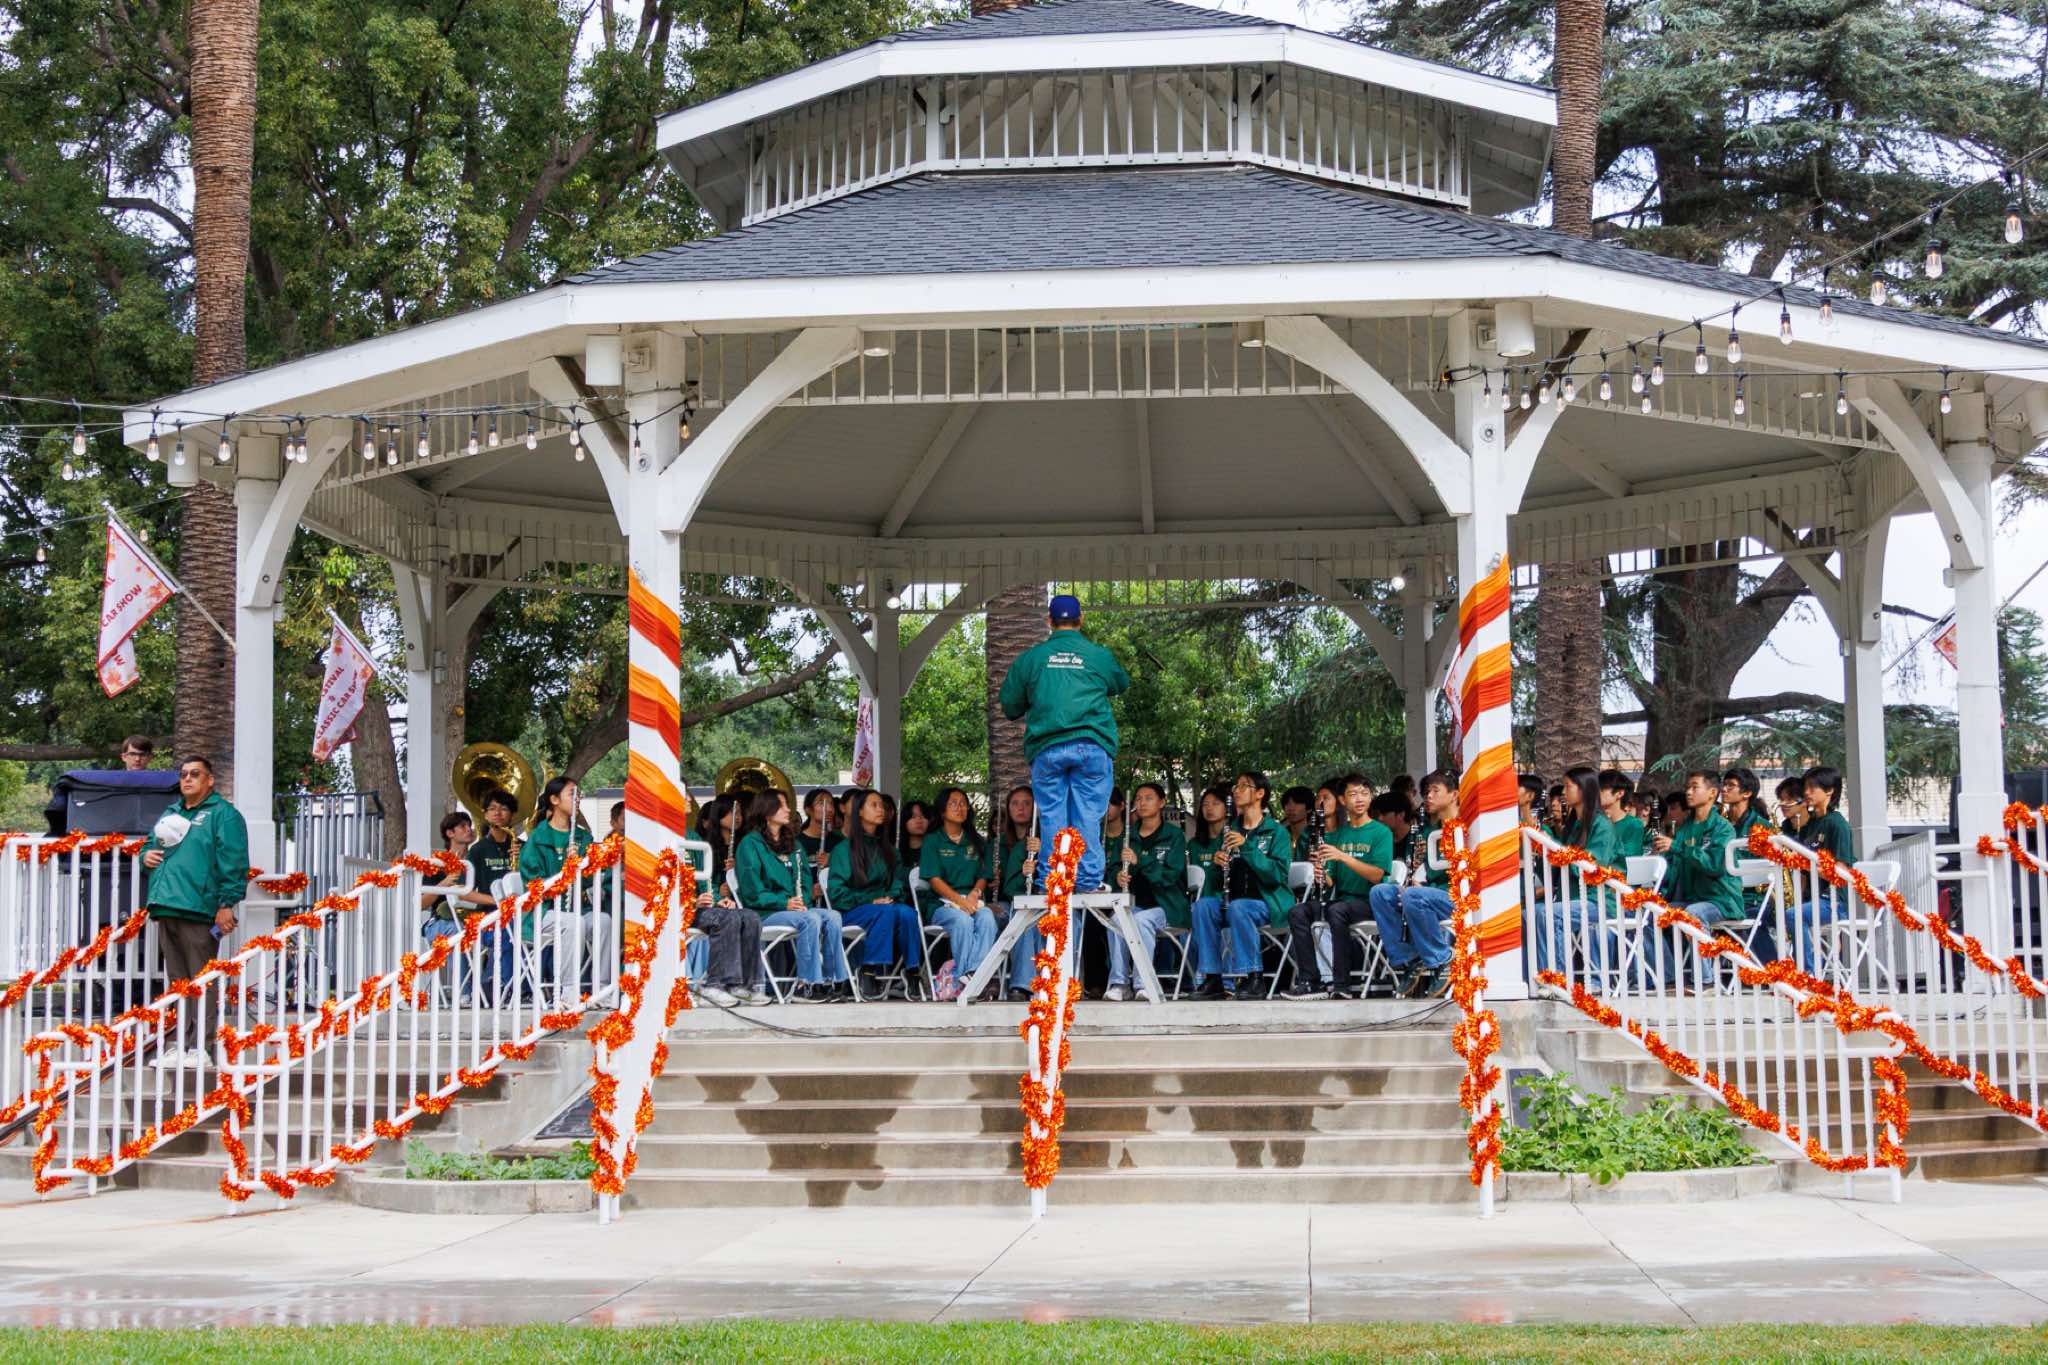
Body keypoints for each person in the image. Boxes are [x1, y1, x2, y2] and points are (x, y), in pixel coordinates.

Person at [997, 592, 1130, 897]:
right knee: (1088, 815)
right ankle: (1088, 880)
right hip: (1091, 745)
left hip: (1047, 748)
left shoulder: (1031, 659)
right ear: (1081, 619)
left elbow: (1010, 706)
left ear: (1049, 621)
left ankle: (1055, 879)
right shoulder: (1097, 655)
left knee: (1052, 815)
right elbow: (1120, 683)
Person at [139, 756, 248, 1067]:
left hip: (199, 908)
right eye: (184, 774)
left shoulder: (223, 815)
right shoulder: (172, 811)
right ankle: (182, 1045)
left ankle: (202, 1046)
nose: (187, 779)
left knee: (202, 979)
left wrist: (226, 904)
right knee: (178, 980)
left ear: (209, 780)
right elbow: (150, 844)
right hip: (166, 904)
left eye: (195, 774)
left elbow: (234, 861)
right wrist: (145, 856)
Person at [734, 790, 849, 1002]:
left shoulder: (793, 844)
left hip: (795, 910)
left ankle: (833, 981)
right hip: (764, 913)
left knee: (833, 916)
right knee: (810, 919)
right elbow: (752, 892)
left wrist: (802, 900)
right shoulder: (750, 844)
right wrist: (784, 903)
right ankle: (806, 985)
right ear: (766, 811)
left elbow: (805, 880)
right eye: (782, 805)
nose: (788, 810)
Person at [1190, 770, 1294, 1000]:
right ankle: (1212, 977)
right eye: (1236, 786)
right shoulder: (1230, 829)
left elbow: (1276, 876)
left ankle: (1253, 977)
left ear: (1260, 793)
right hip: (1233, 902)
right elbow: (1216, 881)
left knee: (1240, 907)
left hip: (1267, 903)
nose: (1236, 790)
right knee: (1202, 906)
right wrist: (1217, 864)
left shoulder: (1277, 832)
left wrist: (1246, 847)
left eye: (1243, 786)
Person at [1296, 773, 1394, 999]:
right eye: (1353, 794)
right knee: (1298, 912)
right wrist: (1321, 874)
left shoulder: (1381, 832)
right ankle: (1311, 981)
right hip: (1342, 901)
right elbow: (1331, 880)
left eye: (1364, 793)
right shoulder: (1340, 834)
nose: (1360, 799)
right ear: (1343, 800)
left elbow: (1377, 876)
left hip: (1370, 902)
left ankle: (1341, 984)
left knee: (1336, 910)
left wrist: (1343, 857)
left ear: (1371, 797)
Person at [1643, 771, 1743, 987]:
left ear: (1712, 793)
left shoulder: (1723, 828)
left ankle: (1706, 981)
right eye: (1687, 787)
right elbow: (1675, 867)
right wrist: (1659, 863)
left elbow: (1714, 866)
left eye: (1695, 787)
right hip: (1692, 900)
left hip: (1721, 901)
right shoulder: (1686, 827)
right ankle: (1670, 977)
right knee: (1649, 914)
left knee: (1693, 913)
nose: (1688, 792)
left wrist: (1677, 847)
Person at [1367, 769, 1459, 998]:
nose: (1428, 796)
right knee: (1380, 892)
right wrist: (1416, 883)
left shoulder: (1468, 826)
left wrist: (1420, 890)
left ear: (1454, 795)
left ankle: (1443, 958)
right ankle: (1410, 959)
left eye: (1435, 791)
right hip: (1431, 895)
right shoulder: (1430, 832)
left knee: (1413, 896)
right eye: (1427, 792)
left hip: (1459, 898)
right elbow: (1425, 871)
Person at [828, 788, 922, 1000]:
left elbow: (897, 882)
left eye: (882, 805)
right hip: (852, 911)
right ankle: (868, 970)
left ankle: (912, 970)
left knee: (908, 913)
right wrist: (870, 900)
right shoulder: (843, 849)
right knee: (884, 912)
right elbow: (837, 893)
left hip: (883, 908)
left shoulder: (888, 850)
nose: (881, 810)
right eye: (874, 805)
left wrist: (890, 896)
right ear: (859, 811)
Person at [1531, 766, 1618, 982]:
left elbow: (1593, 865)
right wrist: (1543, 848)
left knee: (1547, 914)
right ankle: (1537, 977)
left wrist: (1556, 849)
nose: (1563, 792)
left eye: (1568, 786)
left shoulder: (1602, 825)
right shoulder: (1574, 825)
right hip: (1573, 898)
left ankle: (1559, 979)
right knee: (1529, 914)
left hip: (1598, 900)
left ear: (1584, 789)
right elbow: (1557, 866)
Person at [1105, 781, 1187, 1002]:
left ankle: (1144, 984)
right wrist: (1118, 877)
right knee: (1116, 920)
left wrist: (1141, 860)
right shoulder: (1127, 837)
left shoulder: (1174, 836)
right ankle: (1120, 983)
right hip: (1135, 904)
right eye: (1138, 799)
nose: (1142, 803)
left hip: (1167, 906)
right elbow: (1112, 870)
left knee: (1140, 921)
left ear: (1162, 803)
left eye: (1148, 798)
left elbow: (1170, 877)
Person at [918, 786, 999, 996]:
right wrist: (959, 901)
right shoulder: (933, 840)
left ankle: (973, 973)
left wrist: (974, 894)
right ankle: (971, 977)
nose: (959, 807)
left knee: (987, 917)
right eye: (953, 803)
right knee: (962, 921)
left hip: (972, 901)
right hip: (942, 904)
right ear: (942, 811)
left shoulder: (976, 840)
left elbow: (984, 875)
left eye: (963, 803)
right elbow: (934, 879)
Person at [988, 784, 1046, 1003]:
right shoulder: (999, 842)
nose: (1021, 808)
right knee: (990, 918)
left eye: (1027, 803)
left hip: (1037, 904)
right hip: (1007, 903)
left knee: (1024, 916)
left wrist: (1042, 852)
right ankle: (989, 979)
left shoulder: (1045, 838)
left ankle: (1023, 984)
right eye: (1015, 803)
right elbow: (991, 881)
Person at [1600, 770, 1644, 860]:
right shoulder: (1595, 821)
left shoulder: (1634, 825)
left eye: (1602, 788)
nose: (1596, 793)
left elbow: (1629, 856)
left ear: (1619, 793)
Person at [898, 798, 934, 870]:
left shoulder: (935, 849)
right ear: (904, 821)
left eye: (923, 816)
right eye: (913, 817)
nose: (919, 821)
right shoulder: (896, 851)